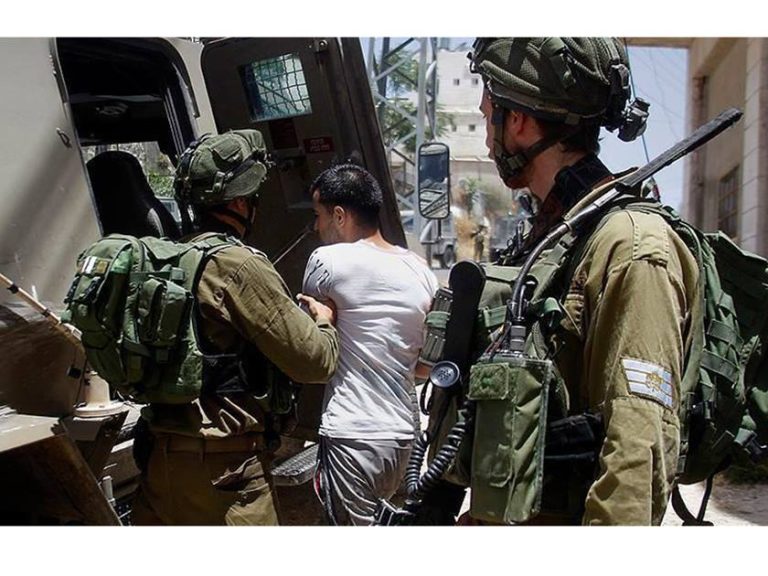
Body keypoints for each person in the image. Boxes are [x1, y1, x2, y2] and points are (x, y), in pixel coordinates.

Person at [423, 38, 700, 525]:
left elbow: (637, 450)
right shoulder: (553, 236)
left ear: (518, 121)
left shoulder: (632, 245)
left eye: (488, 112)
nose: (486, 129)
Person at [130, 130, 339, 526]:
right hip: (225, 472)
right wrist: (324, 322)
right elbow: (315, 362)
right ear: (242, 202)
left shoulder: (169, 259)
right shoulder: (238, 265)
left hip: (160, 462)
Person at [300, 163, 439, 525]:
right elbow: (425, 366)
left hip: (352, 435)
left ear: (339, 215)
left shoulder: (327, 262)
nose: (316, 227)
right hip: (404, 440)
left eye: (318, 215)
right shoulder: (420, 270)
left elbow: (314, 352)